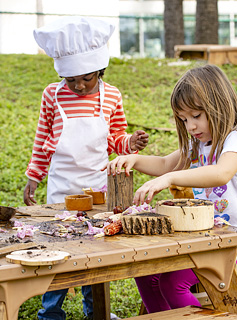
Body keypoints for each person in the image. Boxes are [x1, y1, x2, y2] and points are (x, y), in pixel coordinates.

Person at [105, 64, 237, 313]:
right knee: (146, 274)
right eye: (184, 119)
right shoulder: (198, 144)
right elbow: (165, 164)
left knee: (173, 282)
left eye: (196, 116)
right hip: (206, 242)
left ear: (218, 104)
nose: (190, 126)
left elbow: (221, 173)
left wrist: (170, 179)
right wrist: (134, 159)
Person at [23, 16, 149, 320]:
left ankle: (97, 312)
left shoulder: (112, 96)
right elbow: (43, 139)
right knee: (57, 251)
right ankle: (50, 313)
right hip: (61, 187)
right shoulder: (52, 95)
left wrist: (130, 142)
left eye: (87, 78)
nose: (79, 85)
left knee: (95, 251)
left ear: (100, 70)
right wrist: (33, 177)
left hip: (97, 187)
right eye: (72, 80)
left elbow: (115, 138)